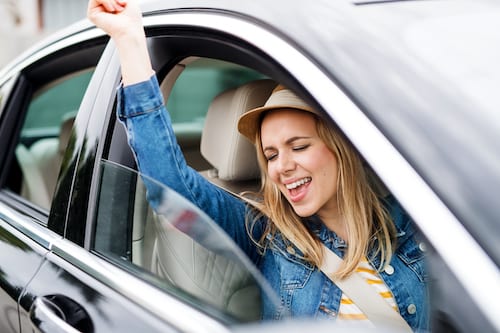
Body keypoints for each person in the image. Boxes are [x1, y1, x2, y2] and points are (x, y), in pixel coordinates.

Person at [87, 0, 428, 330]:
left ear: (341, 149)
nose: (282, 166)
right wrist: (130, 40)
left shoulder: (411, 220)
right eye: (271, 154)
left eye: (298, 146)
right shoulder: (268, 235)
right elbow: (168, 185)